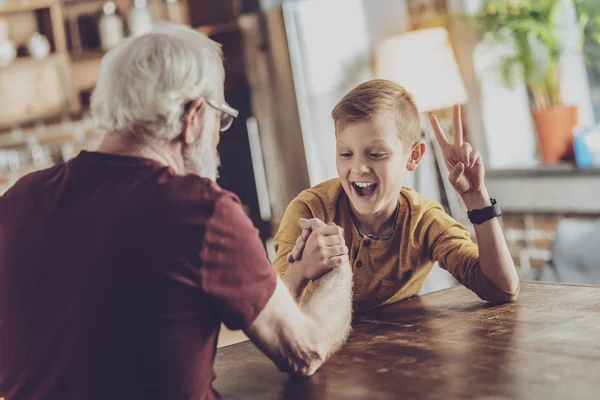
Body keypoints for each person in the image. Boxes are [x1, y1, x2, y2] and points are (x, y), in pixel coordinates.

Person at [0, 24, 353, 400]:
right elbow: (305, 351)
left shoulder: (20, 198)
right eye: (220, 117)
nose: (217, 137)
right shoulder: (200, 211)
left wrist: (294, 277)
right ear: (194, 116)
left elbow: (108, 322)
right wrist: (340, 269)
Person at [273, 79, 520, 313]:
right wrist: (301, 271)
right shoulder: (310, 211)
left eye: (376, 154)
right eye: (346, 154)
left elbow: (501, 288)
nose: (358, 168)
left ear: (413, 156)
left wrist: (476, 198)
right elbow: (272, 313)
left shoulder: (424, 221)